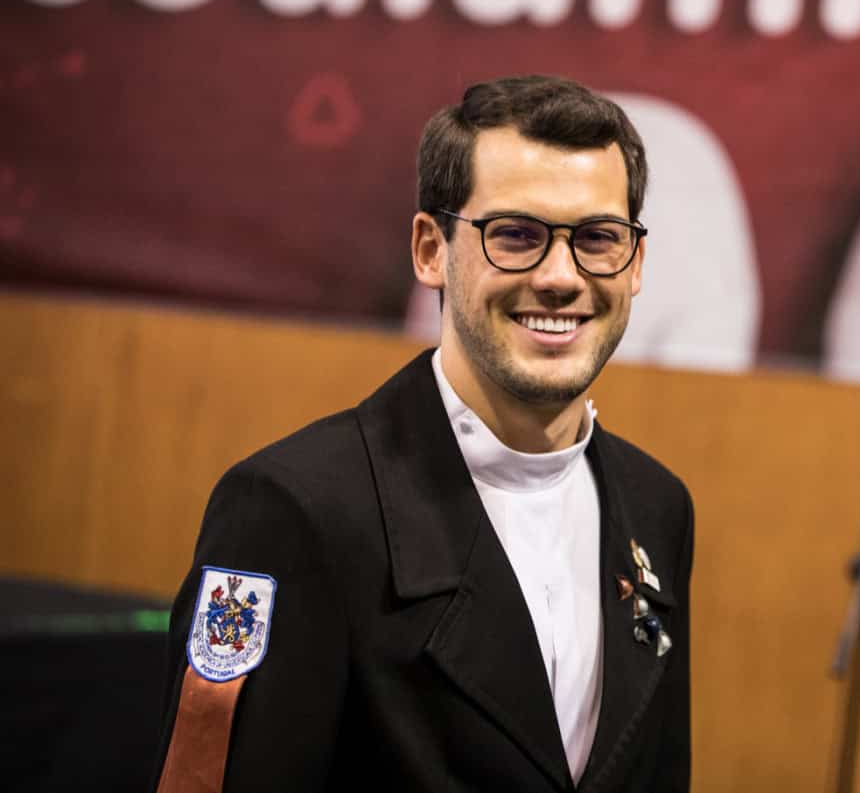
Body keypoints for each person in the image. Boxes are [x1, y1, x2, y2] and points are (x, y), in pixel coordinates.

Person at [151, 75, 694, 793]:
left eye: (598, 238)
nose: (562, 277)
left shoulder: (660, 506)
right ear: (430, 249)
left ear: (636, 264)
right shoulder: (292, 511)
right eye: (516, 235)